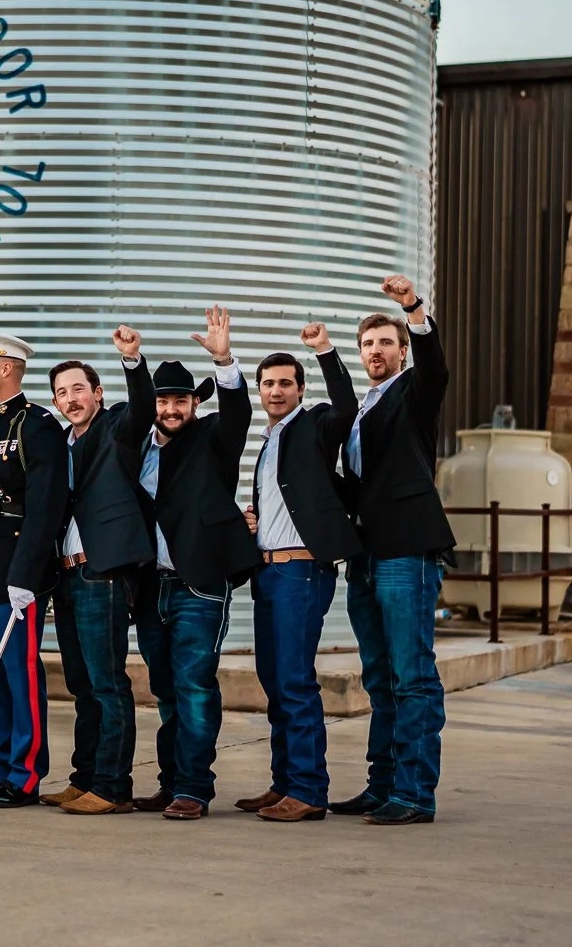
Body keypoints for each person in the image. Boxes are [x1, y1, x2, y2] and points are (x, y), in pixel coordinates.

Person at [334, 275, 454, 826]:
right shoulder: (361, 408)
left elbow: (436, 371)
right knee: (379, 676)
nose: (374, 351)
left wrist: (412, 309)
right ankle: (381, 785)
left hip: (406, 549)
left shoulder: (413, 392)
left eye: (385, 343)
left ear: (401, 350)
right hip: (365, 553)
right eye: (367, 345)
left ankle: (414, 792)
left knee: (412, 675)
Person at [133, 306, 259, 820]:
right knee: (164, 690)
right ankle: (171, 780)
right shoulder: (136, 448)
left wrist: (224, 359)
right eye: (163, 399)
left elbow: (239, 416)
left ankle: (194, 787)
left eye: (180, 399)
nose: (171, 407)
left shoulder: (213, 439)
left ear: (193, 402)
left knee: (194, 685)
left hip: (198, 585)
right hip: (149, 587)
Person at [234, 324, 360, 822]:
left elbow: (347, 407)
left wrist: (325, 351)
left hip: (301, 572)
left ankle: (308, 790)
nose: (276, 391)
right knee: (273, 678)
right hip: (268, 574)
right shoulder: (268, 442)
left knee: (293, 681)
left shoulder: (315, 425)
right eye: (268, 384)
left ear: (301, 390)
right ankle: (285, 781)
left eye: (286, 383)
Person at [41, 327, 156, 816]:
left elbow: (144, 410)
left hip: (101, 572)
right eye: (62, 392)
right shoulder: (57, 444)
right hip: (65, 575)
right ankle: (84, 777)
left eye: (78, 389)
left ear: (98, 392)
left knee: (108, 682)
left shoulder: (117, 429)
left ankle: (113, 786)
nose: (71, 399)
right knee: (81, 684)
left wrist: (132, 360)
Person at [0, 332, 69, 809]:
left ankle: (24, 774)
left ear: (7, 367)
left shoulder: (39, 425)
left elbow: (46, 507)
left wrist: (26, 575)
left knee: (19, 674)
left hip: (14, 570)